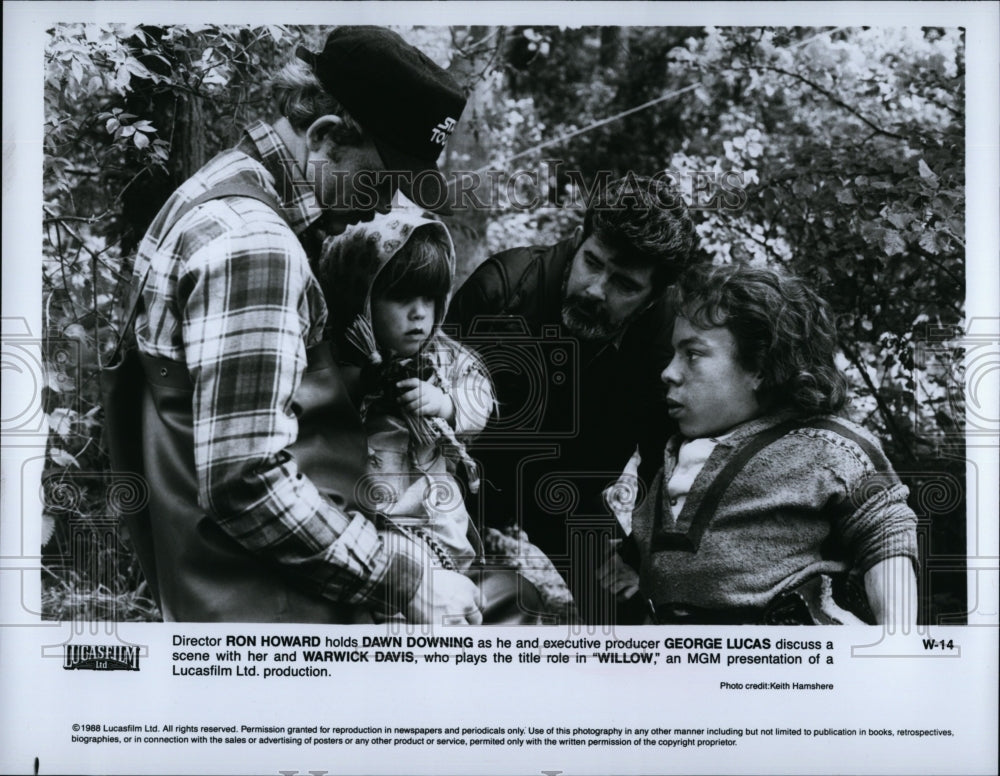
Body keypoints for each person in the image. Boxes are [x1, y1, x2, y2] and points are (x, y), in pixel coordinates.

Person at [124, 26, 483, 623]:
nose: (387, 205)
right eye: (386, 179)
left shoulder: (215, 192)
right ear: (326, 137)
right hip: (265, 612)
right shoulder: (256, 245)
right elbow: (248, 482)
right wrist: (408, 582)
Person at [445, 174, 697, 623]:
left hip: (569, 496)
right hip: (469, 480)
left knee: (634, 613)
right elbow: (428, 419)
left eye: (624, 284)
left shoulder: (665, 342)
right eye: (593, 262)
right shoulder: (502, 289)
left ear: (654, 296)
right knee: (449, 603)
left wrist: (638, 555)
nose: (596, 289)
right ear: (578, 240)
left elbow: (668, 459)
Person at [624, 263, 919, 625]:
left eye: (693, 354)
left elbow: (885, 531)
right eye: (672, 354)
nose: (668, 372)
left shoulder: (826, 446)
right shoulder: (673, 453)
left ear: (760, 367)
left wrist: (897, 642)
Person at [317, 212, 495, 573]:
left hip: (435, 512)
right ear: (362, 298)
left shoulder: (444, 356)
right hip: (369, 519)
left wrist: (447, 405)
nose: (419, 314)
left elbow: (480, 396)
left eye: (429, 299)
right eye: (401, 298)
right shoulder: (339, 360)